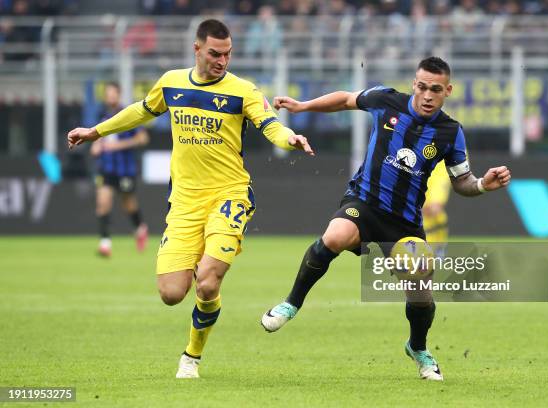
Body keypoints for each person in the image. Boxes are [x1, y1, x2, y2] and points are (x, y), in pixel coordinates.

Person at [67, 19, 313, 379]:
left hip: (230, 195)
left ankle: (191, 357)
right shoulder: (171, 83)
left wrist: (289, 138)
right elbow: (140, 110)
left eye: (228, 54)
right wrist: (96, 131)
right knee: (171, 293)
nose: (222, 61)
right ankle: (203, 274)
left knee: (208, 280)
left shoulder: (243, 90)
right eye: (215, 53)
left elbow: (270, 124)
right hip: (184, 201)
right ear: (196, 49)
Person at [261, 56, 511, 381]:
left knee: (421, 291)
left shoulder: (450, 132)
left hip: (404, 224)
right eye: (422, 87)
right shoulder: (386, 100)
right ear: (414, 84)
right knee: (335, 236)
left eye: (435, 89)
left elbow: (461, 181)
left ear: (447, 90)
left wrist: (481, 185)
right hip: (364, 204)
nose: (427, 95)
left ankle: (418, 348)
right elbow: (346, 99)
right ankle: (290, 304)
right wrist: (303, 106)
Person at [91, 81, 149, 257]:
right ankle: (105, 243)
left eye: (113, 93)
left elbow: (142, 138)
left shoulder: (128, 114)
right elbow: (96, 137)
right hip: (106, 167)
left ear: (119, 94)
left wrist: (120, 145)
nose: (110, 97)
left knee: (128, 204)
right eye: (107, 93)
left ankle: (139, 228)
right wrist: (95, 146)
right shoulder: (101, 114)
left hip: (125, 169)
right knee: (103, 203)